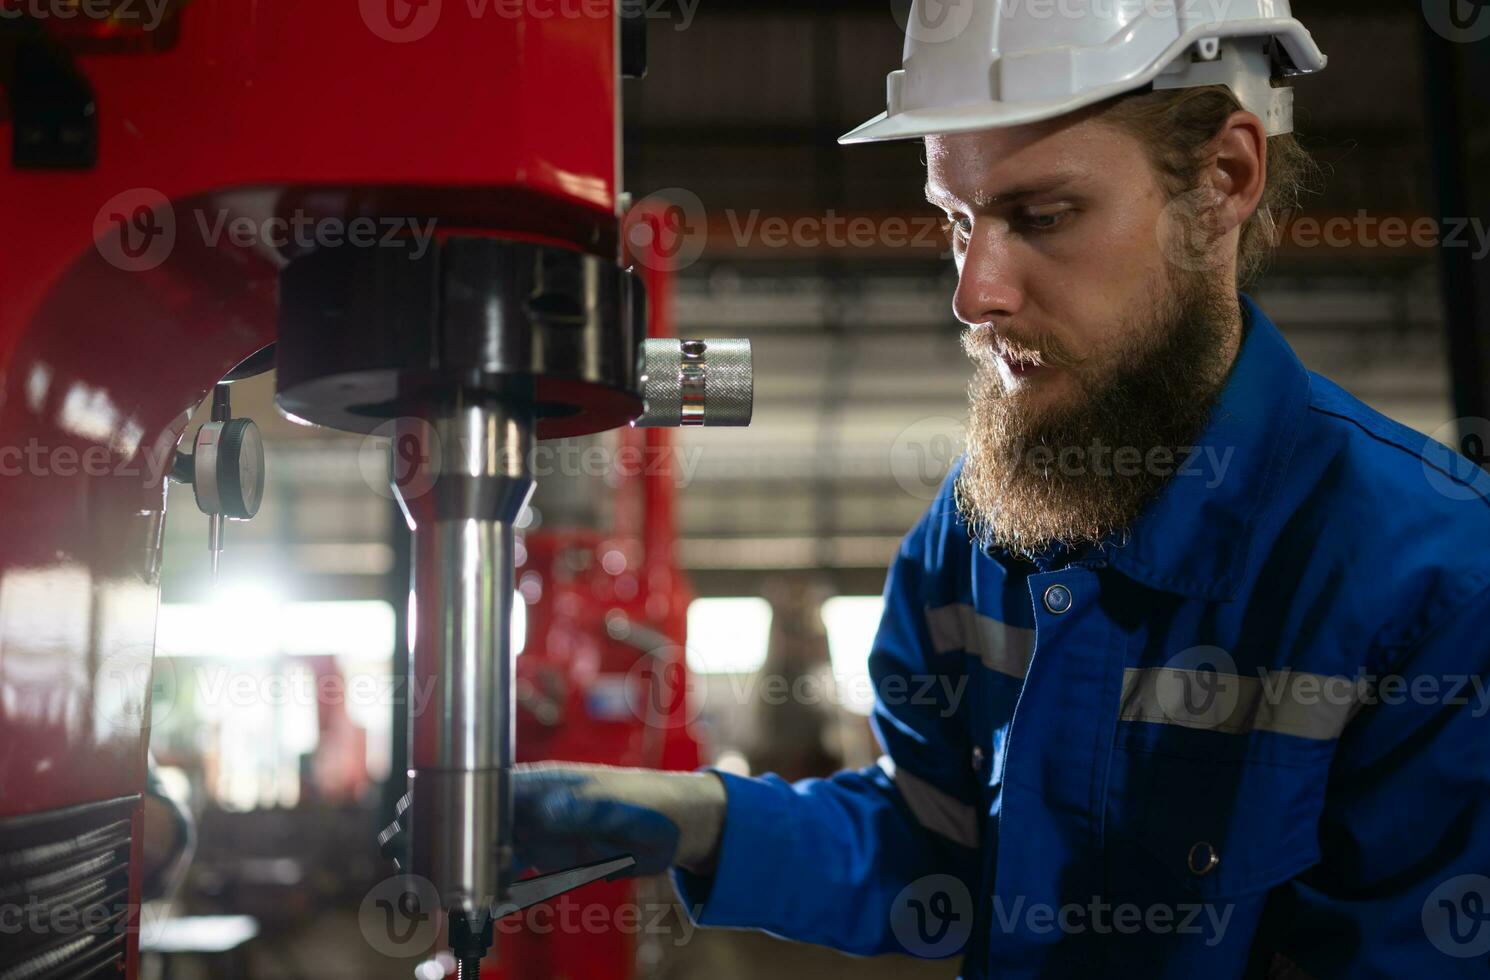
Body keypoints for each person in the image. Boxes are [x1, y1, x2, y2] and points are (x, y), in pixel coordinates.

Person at [513, 3, 1490, 976]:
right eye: (955, 220)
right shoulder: (976, 530)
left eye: (1041, 216)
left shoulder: (1430, 579)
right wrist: (710, 819)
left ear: (1221, 182)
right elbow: (940, 849)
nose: (971, 290)